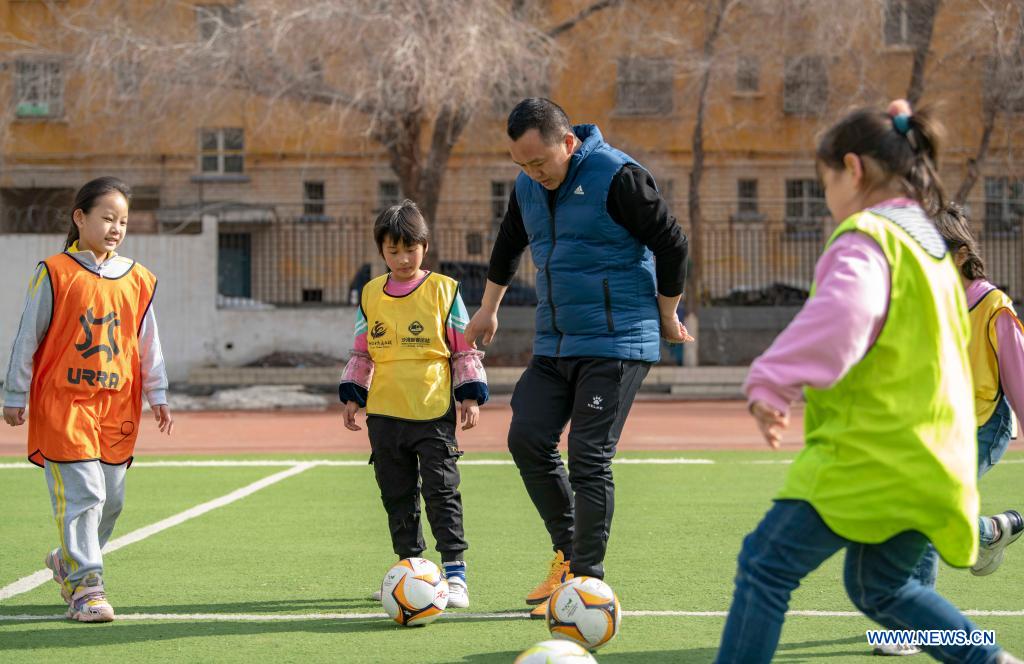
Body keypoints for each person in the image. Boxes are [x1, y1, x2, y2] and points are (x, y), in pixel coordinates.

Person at [715, 100, 1020, 663]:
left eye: (823, 181)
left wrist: (772, 380)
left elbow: (843, 320)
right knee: (884, 588)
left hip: (873, 457)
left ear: (851, 169)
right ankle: (992, 660)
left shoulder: (868, 238)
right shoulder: (931, 247)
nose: (825, 197)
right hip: (933, 460)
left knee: (764, 565)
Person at [463, 97, 691, 618]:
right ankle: (568, 554)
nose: (532, 173)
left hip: (616, 342)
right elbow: (507, 245)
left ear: (568, 143)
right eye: (521, 165)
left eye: (539, 162)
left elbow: (672, 244)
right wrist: (487, 310)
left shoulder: (619, 177)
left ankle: (588, 582)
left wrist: (667, 314)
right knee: (527, 436)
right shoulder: (528, 187)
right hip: (557, 341)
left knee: (588, 458)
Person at [2, 176, 173, 623]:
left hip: (117, 407)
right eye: (107, 218)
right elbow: (27, 337)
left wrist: (158, 392)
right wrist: (15, 392)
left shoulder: (137, 279)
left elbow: (147, 343)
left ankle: (66, 558)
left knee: (110, 501)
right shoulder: (55, 272)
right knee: (85, 493)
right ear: (80, 217)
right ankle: (86, 588)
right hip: (65, 403)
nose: (116, 228)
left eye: (123, 221)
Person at [873, 204, 1024, 656]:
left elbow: (1018, 377)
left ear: (959, 255)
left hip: (983, 426)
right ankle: (989, 532)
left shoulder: (994, 306)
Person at [339, 200, 487, 609]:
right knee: (397, 495)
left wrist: (470, 395)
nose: (403, 259)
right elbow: (361, 353)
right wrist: (353, 396)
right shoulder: (370, 295)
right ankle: (411, 572)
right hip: (385, 416)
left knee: (442, 492)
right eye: (393, 251)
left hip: (432, 413)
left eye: (410, 249)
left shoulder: (445, 290)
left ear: (425, 245)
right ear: (381, 252)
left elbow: (463, 349)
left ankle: (455, 576)